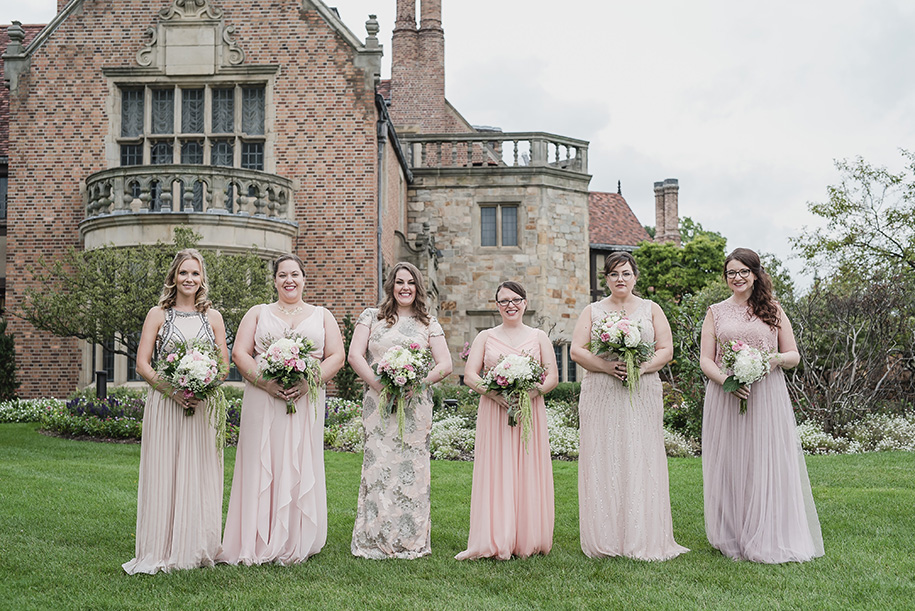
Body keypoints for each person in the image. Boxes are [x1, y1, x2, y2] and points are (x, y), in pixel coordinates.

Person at [699, 247, 823, 563]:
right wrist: (726, 383)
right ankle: (733, 532)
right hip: (726, 394)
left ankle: (766, 529)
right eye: (731, 272)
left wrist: (770, 360)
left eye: (743, 271)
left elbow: (793, 355)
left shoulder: (773, 310)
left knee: (763, 460)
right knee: (729, 462)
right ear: (725, 277)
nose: (737, 277)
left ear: (755, 274)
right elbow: (705, 359)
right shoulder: (715, 312)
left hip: (766, 394)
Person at [219, 254, 345, 565]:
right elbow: (239, 352)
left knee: (300, 459)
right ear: (274, 280)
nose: (289, 280)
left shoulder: (322, 315)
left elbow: (336, 356)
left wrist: (309, 382)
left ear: (304, 279)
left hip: (305, 401)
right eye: (282, 275)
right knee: (263, 460)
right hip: (263, 401)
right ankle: (257, 536)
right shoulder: (258, 313)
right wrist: (265, 382)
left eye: (295, 275)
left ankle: (296, 537)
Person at [570, 251, 688, 561]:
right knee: (604, 454)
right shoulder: (593, 311)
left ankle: (642, 533)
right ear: (606, 279)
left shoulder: (651, 309)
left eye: (625, 273)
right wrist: (607, 367)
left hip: (642, 389)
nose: (620, 279)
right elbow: (576, 351)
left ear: (635, 276)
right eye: (613, 274)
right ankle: (606, 536)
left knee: (640, 452)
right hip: (602, 389)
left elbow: (666, 348)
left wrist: (642, 367)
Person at [123, 249, 229, 574]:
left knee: (199, 472)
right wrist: (174, 391)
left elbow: (224, 365)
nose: (189, 279)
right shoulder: (158, 314)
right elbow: (142, 364)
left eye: (195, 274)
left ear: (202, 279)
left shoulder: (213, 317)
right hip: (166, 405)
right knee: (165, 472)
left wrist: (201, 389)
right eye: (183, 273)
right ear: (173, 277)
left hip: (201, 406)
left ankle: (196, 546)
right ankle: (162, 547)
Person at [349, 262, 453, 559]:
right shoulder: (371, 317)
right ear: (391, 286)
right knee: (379, 468)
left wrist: (417, 384)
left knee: (411, 470)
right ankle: (375, 537)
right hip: (378, 403)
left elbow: (445, 365)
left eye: (410, 283)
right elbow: (355, 355)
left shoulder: (428, 323)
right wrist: (379, 385)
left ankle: (409, 539)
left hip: (415, 405)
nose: (405, 287)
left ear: (418, 288)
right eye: (399, 282)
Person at [456, 281, 558, 560]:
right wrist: (495, 393)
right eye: (504, 301)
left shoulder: (539, 337)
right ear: (497, 306)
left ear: (525, 302)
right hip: (495, 411)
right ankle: (496, 537)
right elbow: (470, 375)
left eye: (516, 299)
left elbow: (552, 376)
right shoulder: (485, 337)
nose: (510, 305)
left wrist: (532, 392)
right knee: (496, 470)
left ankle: (527, 538)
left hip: (529, 411)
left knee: (528, 468)